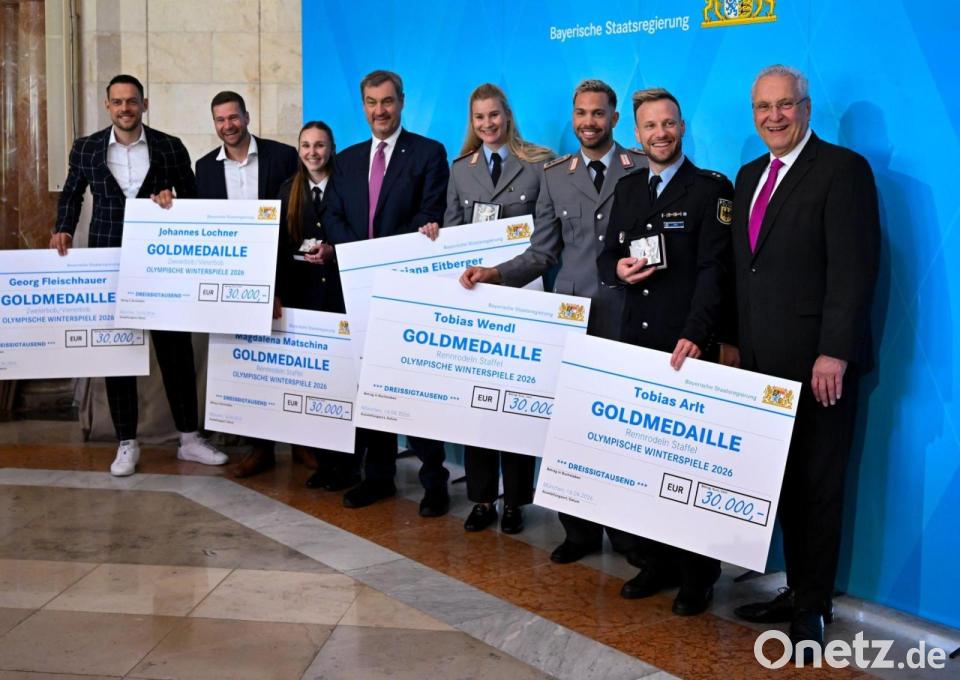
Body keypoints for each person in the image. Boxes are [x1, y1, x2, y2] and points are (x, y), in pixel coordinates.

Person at [460, 79, 647, 561]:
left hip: (629, 320)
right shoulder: (556, 175)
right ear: (573, 117)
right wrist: (495, 274)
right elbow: (541, 253)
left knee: (622, 432)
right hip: (572, 320)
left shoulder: (642, 168)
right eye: (581, 113)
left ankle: (626, 535)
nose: (589, 122)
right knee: (574, 429)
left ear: (614, 118)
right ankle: (579, 533)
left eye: (598, 113)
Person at [728, 65, 879, 660]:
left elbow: (853, 268)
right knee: (784, 484)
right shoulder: (748, 176)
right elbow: (747, 272)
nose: (774, 117)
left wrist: (834, 351)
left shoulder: (842, 170)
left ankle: (814, 607)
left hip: (819, 369)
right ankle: (796, 589)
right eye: (763, 107)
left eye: (784, 105)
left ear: (806, 108)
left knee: (818, 486)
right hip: (762, 365)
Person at [596, 87, 734, 615]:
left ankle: (698, 575)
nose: (661, 133)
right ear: (636, 134)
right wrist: (618, 269)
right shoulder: (629, 187)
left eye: (669, 123)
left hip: (687, 346)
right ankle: (655, 561)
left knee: (689, 467)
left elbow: (715, 270)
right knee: (647, 460)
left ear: (682, 127)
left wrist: (698, 333)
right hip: (638, 342)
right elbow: (609, 254)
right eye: (651, 125)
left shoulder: (710, 189)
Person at [50, 74, 227, 477]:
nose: (125, 108)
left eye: (132, 101)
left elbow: (193, 199)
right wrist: (63, 228)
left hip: (161, 263)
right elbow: (72, 194)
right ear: (107, 106)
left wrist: (173, 201)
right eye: (117, 102)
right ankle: (126, 442)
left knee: (176, 351)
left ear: (144, 105)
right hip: (109, 260)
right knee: (119, 354)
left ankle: (190, 439)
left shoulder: (169, 146)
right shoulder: (86, 148)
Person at [322, 69, 451, 517]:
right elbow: (332, 215)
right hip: (359, 291)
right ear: (363, 106)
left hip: (405, 292)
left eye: (388, 101)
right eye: (372, 102)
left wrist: (381, 258)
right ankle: (377, 477)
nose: (380, 110)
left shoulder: (429, 153)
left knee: (413, 390)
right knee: (369, 389)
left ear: (402, 102)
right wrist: (361, 260)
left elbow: (430, 212)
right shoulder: (347, 159)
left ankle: (435, 482)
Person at [444, 83, 553, 534]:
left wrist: (501, 273)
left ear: (507, 115)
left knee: (515, 404)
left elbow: (546, 240)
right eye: (479, 117)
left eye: (494, 115)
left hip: (523, 298)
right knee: (478, 404)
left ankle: (516, 501)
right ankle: (483, 498)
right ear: (472, 123)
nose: (487, 124)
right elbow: (452, 237)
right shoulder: (460, 170)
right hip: (476, 305)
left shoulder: (540, 164)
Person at [193, 90, 298, 479]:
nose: (228, 125)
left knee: (286, 362)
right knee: (247, 364)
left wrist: (279, 286)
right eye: (220, 120)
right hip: (231, 281)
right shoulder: (204, 168)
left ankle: (301, 443)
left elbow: (295, 221)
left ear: (247, 117)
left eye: (233, 117)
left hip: (280, 274)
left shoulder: (282, 157)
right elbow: (199, 225)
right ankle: (260, 448)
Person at [275, 121, 360, 491]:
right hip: (304, 303)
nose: (313, 152)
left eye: (320, 145)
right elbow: (281, 250)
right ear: (299, 150)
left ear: (332, 148)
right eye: (306, 145)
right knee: (315, 387)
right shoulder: (287, 191)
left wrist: (334, 253)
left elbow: (360, 240)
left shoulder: (350, 188)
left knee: (344, 386)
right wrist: (278, 294)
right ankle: (325, 464)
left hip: (341, 300)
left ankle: (350, 467)